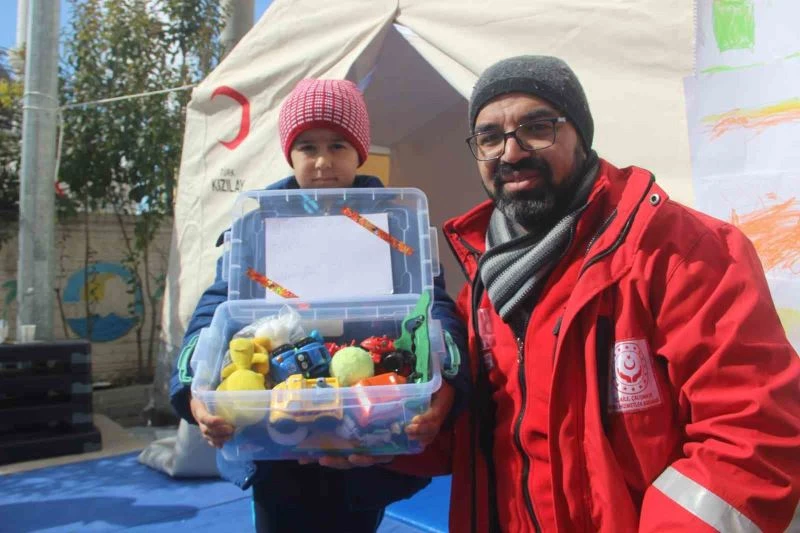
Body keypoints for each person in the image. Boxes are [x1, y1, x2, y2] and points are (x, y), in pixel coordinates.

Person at [397, 56, 800, 532]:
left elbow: (751, 435)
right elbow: (468, 444)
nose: (511, 152)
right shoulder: (482, 288)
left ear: (581, 136)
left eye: (537, 128)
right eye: (489, 138)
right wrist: (389, 431)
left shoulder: (682, 252)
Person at [169, 78, 468, 533]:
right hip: (274, 439)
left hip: (368, 434)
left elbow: (432, 306)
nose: (323, 161)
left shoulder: (396, 224)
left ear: (360, 152)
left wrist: (446, 383)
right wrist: (194, 389)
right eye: (307, 147)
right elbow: (217, 308)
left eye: (338, 145)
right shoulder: (256, 226)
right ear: (289, 154)